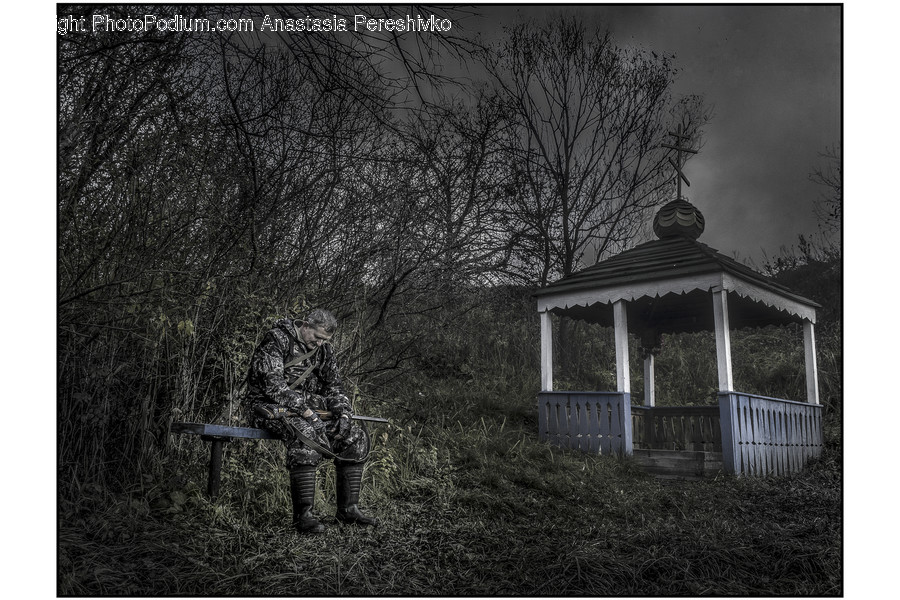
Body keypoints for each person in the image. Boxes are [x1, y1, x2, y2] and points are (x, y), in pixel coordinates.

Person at [244, 308, 377, 533]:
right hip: (268, 408)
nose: (318, 344)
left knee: (355, 435)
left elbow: (334, 386)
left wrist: (344, 412)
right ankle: (304, 517)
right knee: (305, 435)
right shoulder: (276, 340)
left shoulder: (324, 349)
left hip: (311, 410)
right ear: (305, 325)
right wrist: (307, 413)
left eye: (324, 340)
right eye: (316, 337)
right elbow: (273, 387)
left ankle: (349, 510)